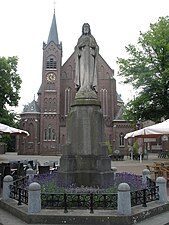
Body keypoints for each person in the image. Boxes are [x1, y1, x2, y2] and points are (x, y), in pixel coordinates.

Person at [74, 23, 99, 93]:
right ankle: (82, 87)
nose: (86, 28)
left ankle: (89, 87)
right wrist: (80, 46)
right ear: (82, 29)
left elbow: (97, 47)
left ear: (89, 29)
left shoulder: (92, 38)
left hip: (90, 58)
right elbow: (76, 48)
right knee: (82, 72)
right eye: (84, 27)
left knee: (90, 73)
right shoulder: (80, 38)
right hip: (82, 58)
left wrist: (93, 46)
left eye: (87, 27)